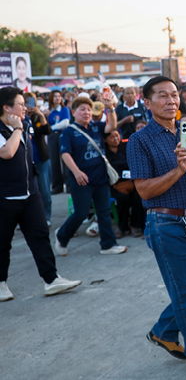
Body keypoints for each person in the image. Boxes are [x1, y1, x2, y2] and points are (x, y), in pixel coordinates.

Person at [127, 76, 186, 376]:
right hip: (166, 222)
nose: (171, 101)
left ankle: (164, 329)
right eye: (163, 96)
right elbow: (143, 190)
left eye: (174, 95)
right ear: (147, 102)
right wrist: (179, 169)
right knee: (185, 291)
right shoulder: (140, 140)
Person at [0, 87, 81, 302]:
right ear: (7, 108)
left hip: (30, 193)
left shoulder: (25, 124)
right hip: (5, 197)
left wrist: (23, 126)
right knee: (2, 243)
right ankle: (0, 284)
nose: (25, 107)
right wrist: (17, 130)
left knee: (40, 237)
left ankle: (51, 279)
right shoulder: (6, 129)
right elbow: (7, 153)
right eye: (20, 103)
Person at [54, 96, 127, 256]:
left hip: (100, 178)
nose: (86, 112)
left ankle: (108, 245)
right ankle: (61, 236)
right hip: (82, 180)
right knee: (80, 213)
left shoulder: (97, 126)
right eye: (82, 109)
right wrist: (76, 171)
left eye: (88, 109)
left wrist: (112, 109)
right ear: (73, 112)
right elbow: (65, 154)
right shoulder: (68, 132)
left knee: (103, 211)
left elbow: (112, 126)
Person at [104, 130, 145, 237]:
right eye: (112, 137)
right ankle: (122, 227)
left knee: (138, 196)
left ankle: (135, 225)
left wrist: (132, 182)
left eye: (117, 136)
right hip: (115, 183)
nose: (115, 139)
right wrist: (116, 183)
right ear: (105, 139)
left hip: (132, 181)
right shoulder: (104, 153)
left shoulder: (127, 147)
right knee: (123, 198)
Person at [26, 97, 53, 223]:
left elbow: (47, 130)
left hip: (40, 158)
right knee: (28, 192)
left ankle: (46, 216)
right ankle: (28, 218)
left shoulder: (37, 117)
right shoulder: (18, 119)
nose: (27, 106)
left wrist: (40, 114)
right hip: (25, 160)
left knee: (45, 190)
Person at [47, 90, 70, 195]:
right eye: (55, 96)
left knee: (66, 160)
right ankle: (57, 186)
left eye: (59, 96)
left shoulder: (65, 109)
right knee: (54, 161)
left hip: (63, 134)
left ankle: (69, 184)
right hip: (52, 137)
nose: (57, 98)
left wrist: (52, 127)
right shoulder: (48, 111)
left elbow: (65, 123)